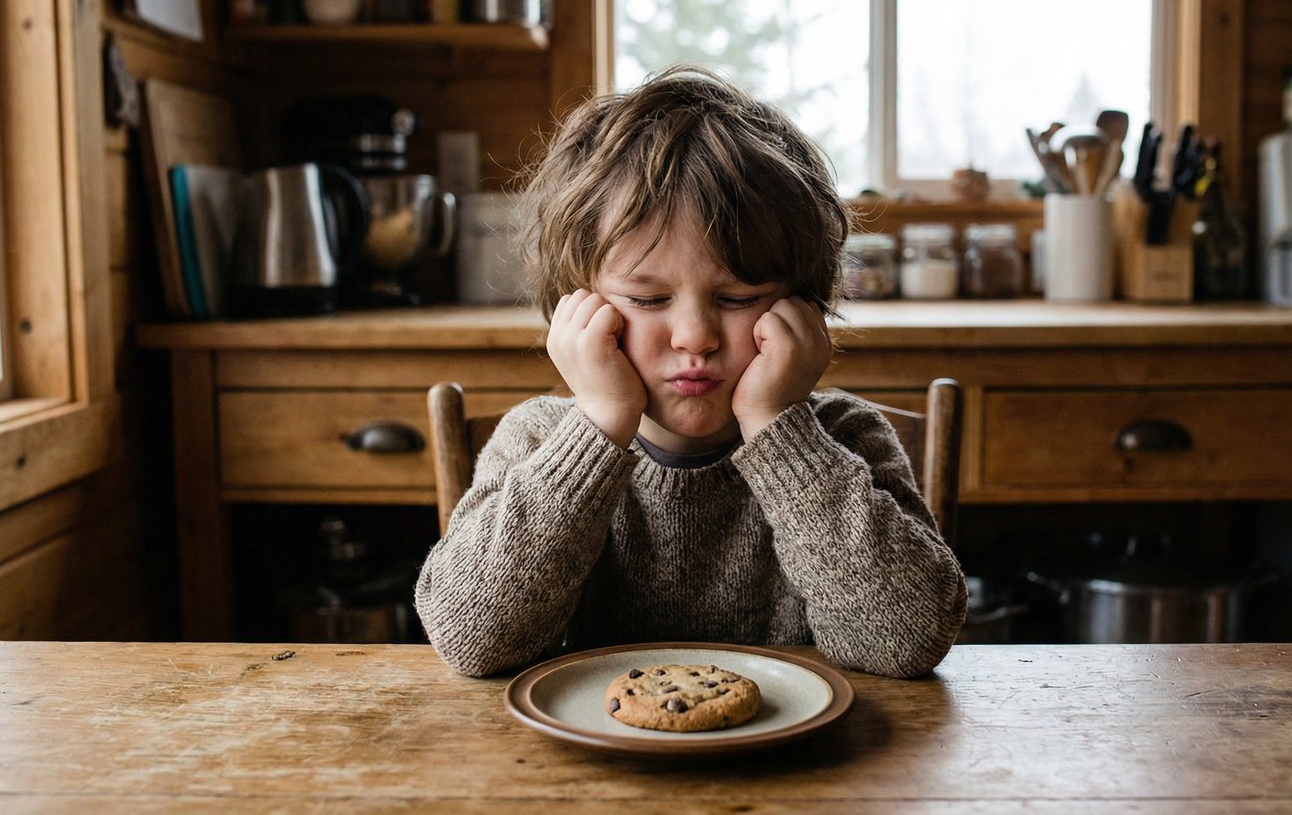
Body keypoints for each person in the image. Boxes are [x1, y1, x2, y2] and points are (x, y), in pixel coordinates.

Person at [415, 66, 968, 679]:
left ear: (803, 306)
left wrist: (778, 429)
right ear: (578, 309)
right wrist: (599, 425)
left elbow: (904, 643)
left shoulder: (844, 438)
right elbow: (472, 641)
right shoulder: (535, 442)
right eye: (648, 301)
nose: (695, 337)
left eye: (737, 297)